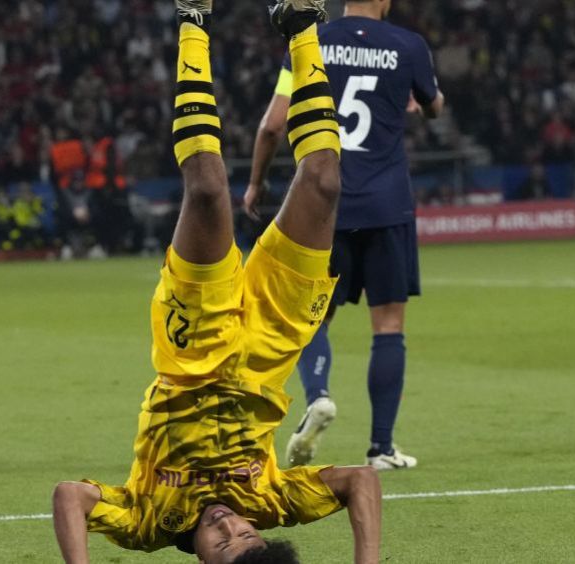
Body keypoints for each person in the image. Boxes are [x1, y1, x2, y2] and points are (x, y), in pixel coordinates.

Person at [52, 2, 381, 563]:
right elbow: (361, 482)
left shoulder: (147, 522)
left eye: (221, 543)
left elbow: (70, 498)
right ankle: (301, 25)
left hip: (194, 353)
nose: (230, 525)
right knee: (325, 181)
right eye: (247, 534)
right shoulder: (273, 502)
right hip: (271, 349)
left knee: (206, 190)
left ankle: (193, 20)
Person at [245, 0, 445, 469]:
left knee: (313, 317)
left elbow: (272, 125)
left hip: (323, 204)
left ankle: (318, 395)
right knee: (389, 326)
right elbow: (434, 106)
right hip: (387, 204)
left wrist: (256, 182)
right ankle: (381, 448)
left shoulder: (310, 40)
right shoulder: (408, 46)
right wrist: (417, 100)